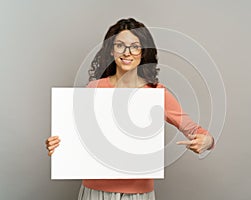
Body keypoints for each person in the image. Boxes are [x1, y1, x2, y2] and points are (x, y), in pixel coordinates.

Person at [45, 18, 214, 200]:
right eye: (120, 45)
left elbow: (197, 132)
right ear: (111, 50)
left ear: (143, 52)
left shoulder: (157, 93)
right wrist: (58, 145)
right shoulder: (94, 89)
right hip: (95, 192)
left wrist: (207, 141)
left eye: (135, 46)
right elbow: (79, 138)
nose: (127, 53)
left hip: (138, 194)